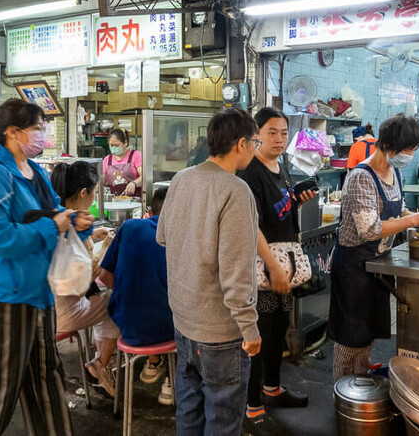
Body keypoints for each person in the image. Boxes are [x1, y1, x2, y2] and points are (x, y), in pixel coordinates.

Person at [0, 99, 93, 436]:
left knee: (46, 385)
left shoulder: (34, 173)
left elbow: (53, 213)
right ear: (13, 132)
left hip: (38, 294)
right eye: (38, 128)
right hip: (4, 297)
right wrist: (55, 227)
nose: (43, 134)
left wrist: (77, 222)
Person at [157, 107, 262, 436]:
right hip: (221, 332)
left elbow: (162, 237)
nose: (255, 149)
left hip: (183, 322)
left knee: (188, 410)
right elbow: (236, 273)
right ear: (241, 144)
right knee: (223, 418)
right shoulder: (235, 191)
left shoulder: (181, 179)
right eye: (256, 141)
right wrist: (250, 327)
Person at [329, 114, 419, 382]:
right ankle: (343, 389)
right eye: (409, 149)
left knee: (368, 329)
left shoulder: (395, 172)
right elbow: (369, 229)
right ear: (390, 146)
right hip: (353, 266)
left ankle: (361, 377)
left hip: (377, 263)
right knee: (351, 334)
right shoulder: (362, 177)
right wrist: (414, 220)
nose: (411, 155)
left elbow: (397, 209)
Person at [238, 107, 316, 436]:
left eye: (284, 133)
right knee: (260, 336)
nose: (279, 139)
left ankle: (272, 389)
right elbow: (251, 227)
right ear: (256, 134)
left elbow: (279, 212)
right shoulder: (250, 173)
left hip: (283, 266)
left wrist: (297, 200)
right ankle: (252, 406)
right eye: (272, 132)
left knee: (279, 331)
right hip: (263, 270)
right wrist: (273, 269)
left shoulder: (280, 167)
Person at [99, 188, 176, 405]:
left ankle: (154, 360)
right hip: (167, 329)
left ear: (149, 211)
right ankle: (172, 380)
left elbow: (104, 276)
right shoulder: (181, 235)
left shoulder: (129, 227)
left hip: (127, 327)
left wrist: (131, 289)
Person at [49, 161, 119, 398]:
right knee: (115, 304)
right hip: (65, 311)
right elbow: (86, 278)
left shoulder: (58, 218)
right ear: (82, 193)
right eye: (94, 193)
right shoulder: (73, 225)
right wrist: (107, 246)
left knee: (103, 300)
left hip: (49, 307)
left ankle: (100, 364)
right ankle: (100, 365)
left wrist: (94, 238)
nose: (94, 199)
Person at [103, 129, 143, 197]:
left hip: (134, 201)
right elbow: (102, 181)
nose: (113, 148)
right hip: (113, 202)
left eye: (116, 145)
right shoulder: (107, 159)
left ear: (125, 143)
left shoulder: (136, 156)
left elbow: (144, 177)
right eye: (111, 145)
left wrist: (135, 183)